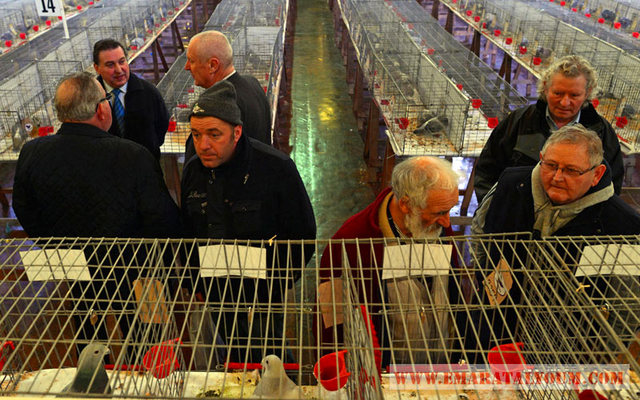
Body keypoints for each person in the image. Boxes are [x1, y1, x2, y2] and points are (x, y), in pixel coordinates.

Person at [13, 72, 181, 358]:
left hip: (74, 266)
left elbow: (23, 206)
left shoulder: (32, 152)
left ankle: (92, 375)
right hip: (133, 267)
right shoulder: (133, 155)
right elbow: (161, 218)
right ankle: (143, 373)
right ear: (101, 110)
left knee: (88, 333)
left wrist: (54, 244)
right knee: (144, 337)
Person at [469, 124, 640, 358]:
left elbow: (627, 305)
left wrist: (604, 356)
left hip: (566, 345)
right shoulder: (511, 182)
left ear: (597, 174)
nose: (557, 177)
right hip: (493, 321)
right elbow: (479, 230)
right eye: (550, 165)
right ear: (541, 158)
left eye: (571, 170)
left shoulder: (623, 226)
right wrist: (482, 276)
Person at [181, 80, 316, 363]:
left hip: (263, 289)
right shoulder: (193, 170)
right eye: (196, 134)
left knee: (270, 351)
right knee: (233, 349)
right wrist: (197, 283)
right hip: (216, 288)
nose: (203, 145)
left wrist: (279, 282)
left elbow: (302, 233)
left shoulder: (275, 168)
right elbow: (188, 232)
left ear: (237, 132)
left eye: (214, 135)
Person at [316, 156, 461, 366]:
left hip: (441, 362)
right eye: (440, 212)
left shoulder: (437, 226)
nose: (447, 223)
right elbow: (332, 322)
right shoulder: (350, 241)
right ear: (405, 204)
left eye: (450, 210)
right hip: (386, 368)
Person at [474, 55, 623, 203]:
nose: (564, 103)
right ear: (545, 88)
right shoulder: (519, 121)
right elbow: (487, 170)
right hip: (517, 213)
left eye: (574, 95)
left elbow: (611, 186)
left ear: (587, 93)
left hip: (577, 215)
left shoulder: (601, 132)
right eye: (558, 93)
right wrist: (494, 209)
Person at [183, 30, 271, 161]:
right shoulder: (252, 83)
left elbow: (200, 157)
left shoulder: (216, 105)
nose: (186, 67)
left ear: (213, 65)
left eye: (191, 61)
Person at [93, 39, 169, 160]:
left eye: (122, 61)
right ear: (97, 68)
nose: (119, 70)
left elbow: (162, 125)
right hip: (106, 166)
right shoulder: (89, 98)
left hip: (145, 164)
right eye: (110, 65)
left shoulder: (149, 92)